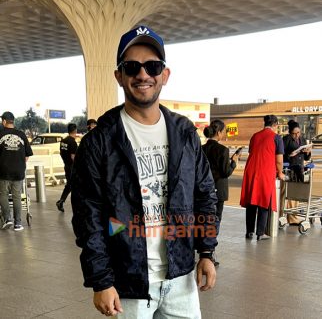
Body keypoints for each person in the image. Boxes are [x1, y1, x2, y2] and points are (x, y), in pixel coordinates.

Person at [71, 25, 217, 318]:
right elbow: (90, 217)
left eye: (152, 66)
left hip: (181, 278)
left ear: (164, 74)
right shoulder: (99, 141)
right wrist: (101, 280)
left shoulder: (184, 132)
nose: (143, 74)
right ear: (119, 75)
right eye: (132, 67)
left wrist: (207, 252)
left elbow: (205, 195)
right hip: (128, 283)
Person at [240, 115, 284, 241]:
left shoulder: (255, 136)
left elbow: (253, 152)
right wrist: (280, 172)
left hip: (251, 170)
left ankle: (249, 232)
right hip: (265, 172)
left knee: (252, 201)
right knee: (263, 201)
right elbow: (279, 160)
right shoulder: (276, 137)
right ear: (275, 124)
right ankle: (260, 233)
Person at [202, 119, 240, 265]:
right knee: (215, 221)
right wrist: (234, 161)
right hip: (218, 192)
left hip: (203, 190)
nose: (223, 134)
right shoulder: (223, 150)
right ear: (218, 132)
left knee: (203, 220)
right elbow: (226, 172)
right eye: (223, 131)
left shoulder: (201, 148)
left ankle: (202, 250)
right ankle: (209, 253)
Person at [0, 111, 33, 231]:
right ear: (13, 121)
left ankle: (7, 219)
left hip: (3, 170)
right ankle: (18, 223)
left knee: (3, 195)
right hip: (18, 171)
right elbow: (27, 155)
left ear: (4, 121)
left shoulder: (0, 134)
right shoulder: (22, 135)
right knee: (17, 196)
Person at [282, 120, 312, 224]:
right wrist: (289, 156)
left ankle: (293, 216)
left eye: (298, 132)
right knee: (290, 194)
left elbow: (306, 156)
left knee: (297, 194)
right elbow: (281, 155)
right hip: (290, 169)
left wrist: (308, 152)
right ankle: (291, 217)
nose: (297, 135)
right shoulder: (286, 140)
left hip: (300, 168)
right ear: (290, 133)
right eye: (294, 133)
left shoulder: (302, 139)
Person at [56, 123, 78, 213]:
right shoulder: (72, 142)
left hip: (66, 165)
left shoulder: (63, 141)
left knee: (70, 185)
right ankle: (75, 205)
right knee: (74, 186)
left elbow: (61, 153)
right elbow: (73, 157)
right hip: (72, 167)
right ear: (75, 131)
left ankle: (61, 201)